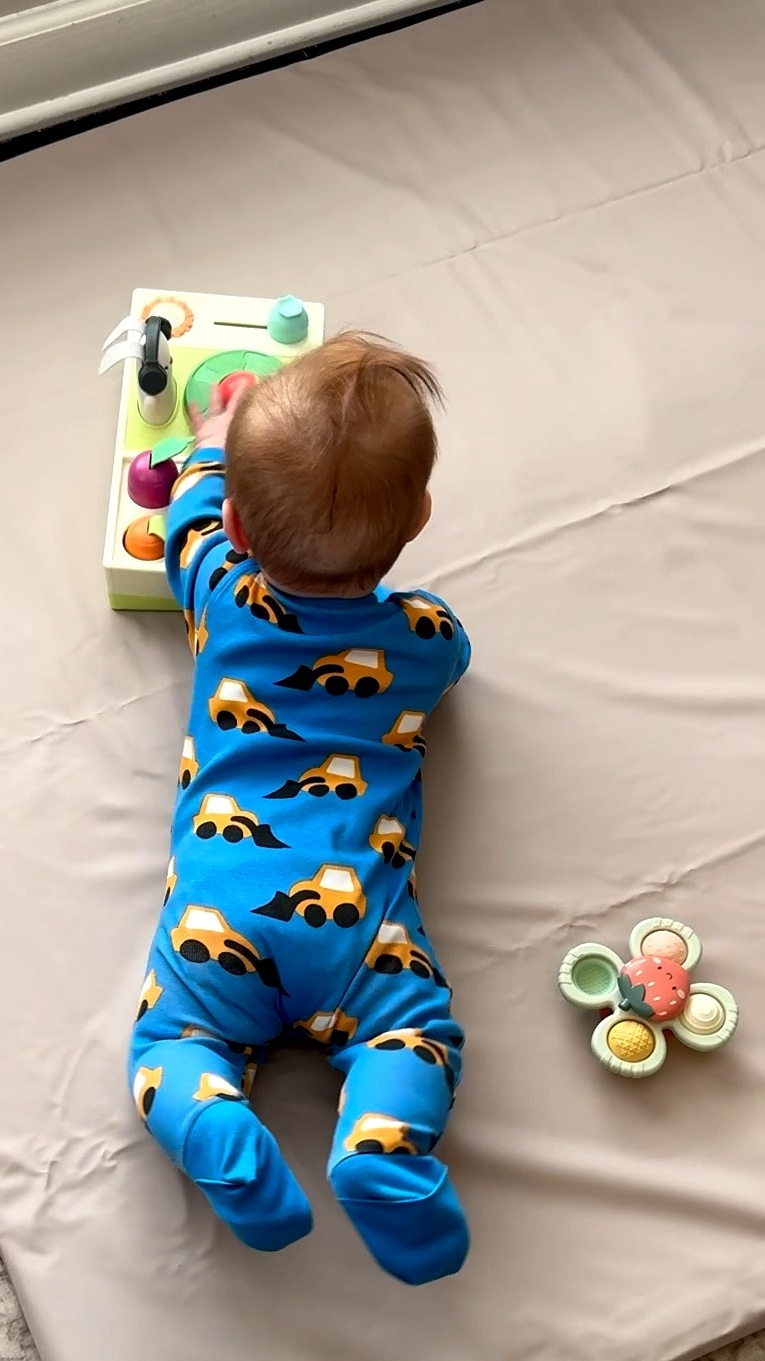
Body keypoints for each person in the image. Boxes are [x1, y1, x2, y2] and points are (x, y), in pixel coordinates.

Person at [129, 332, 471, 1286]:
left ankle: (216, 1130)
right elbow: (458, 657)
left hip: (220, 911)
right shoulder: (425, 639)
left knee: (169, 1045)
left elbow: (188, 526)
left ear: (238, 531)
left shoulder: (221, 594)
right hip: (358, 924)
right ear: (420, 517)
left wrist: (210, 437)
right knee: (414, 1035)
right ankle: (378, 1150)